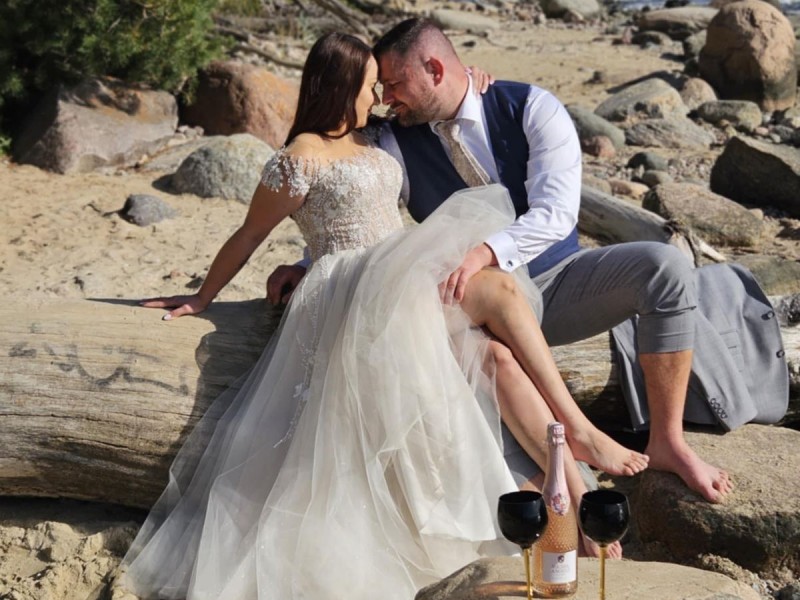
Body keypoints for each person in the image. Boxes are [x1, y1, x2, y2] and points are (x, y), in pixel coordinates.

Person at [119, 32, 645, 599]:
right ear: (342, 87)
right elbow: (250, 233)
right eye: (373, 85)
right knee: (491, 305)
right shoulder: (296, 159)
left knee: (496, 352)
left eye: (385, 85)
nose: (382, 96)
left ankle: (573, 481)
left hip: (400, 272)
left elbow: (443, 98)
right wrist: (202, 296)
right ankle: (569, 452)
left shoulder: (374, 133)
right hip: (351, 289)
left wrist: (473, 79)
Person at [265, 18, 751, 505]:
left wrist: (486, 251)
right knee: (484, 364)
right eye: (382, 87)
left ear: (435, 69)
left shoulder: (533, 108)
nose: (387, 99)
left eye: (395, 84)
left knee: (665, 266)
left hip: (558, 282)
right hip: (474, 305)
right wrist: (310, 263)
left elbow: (556, 214)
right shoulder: (394, 138)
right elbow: (355, 206)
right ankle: (548, 473)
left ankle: (667, 441)